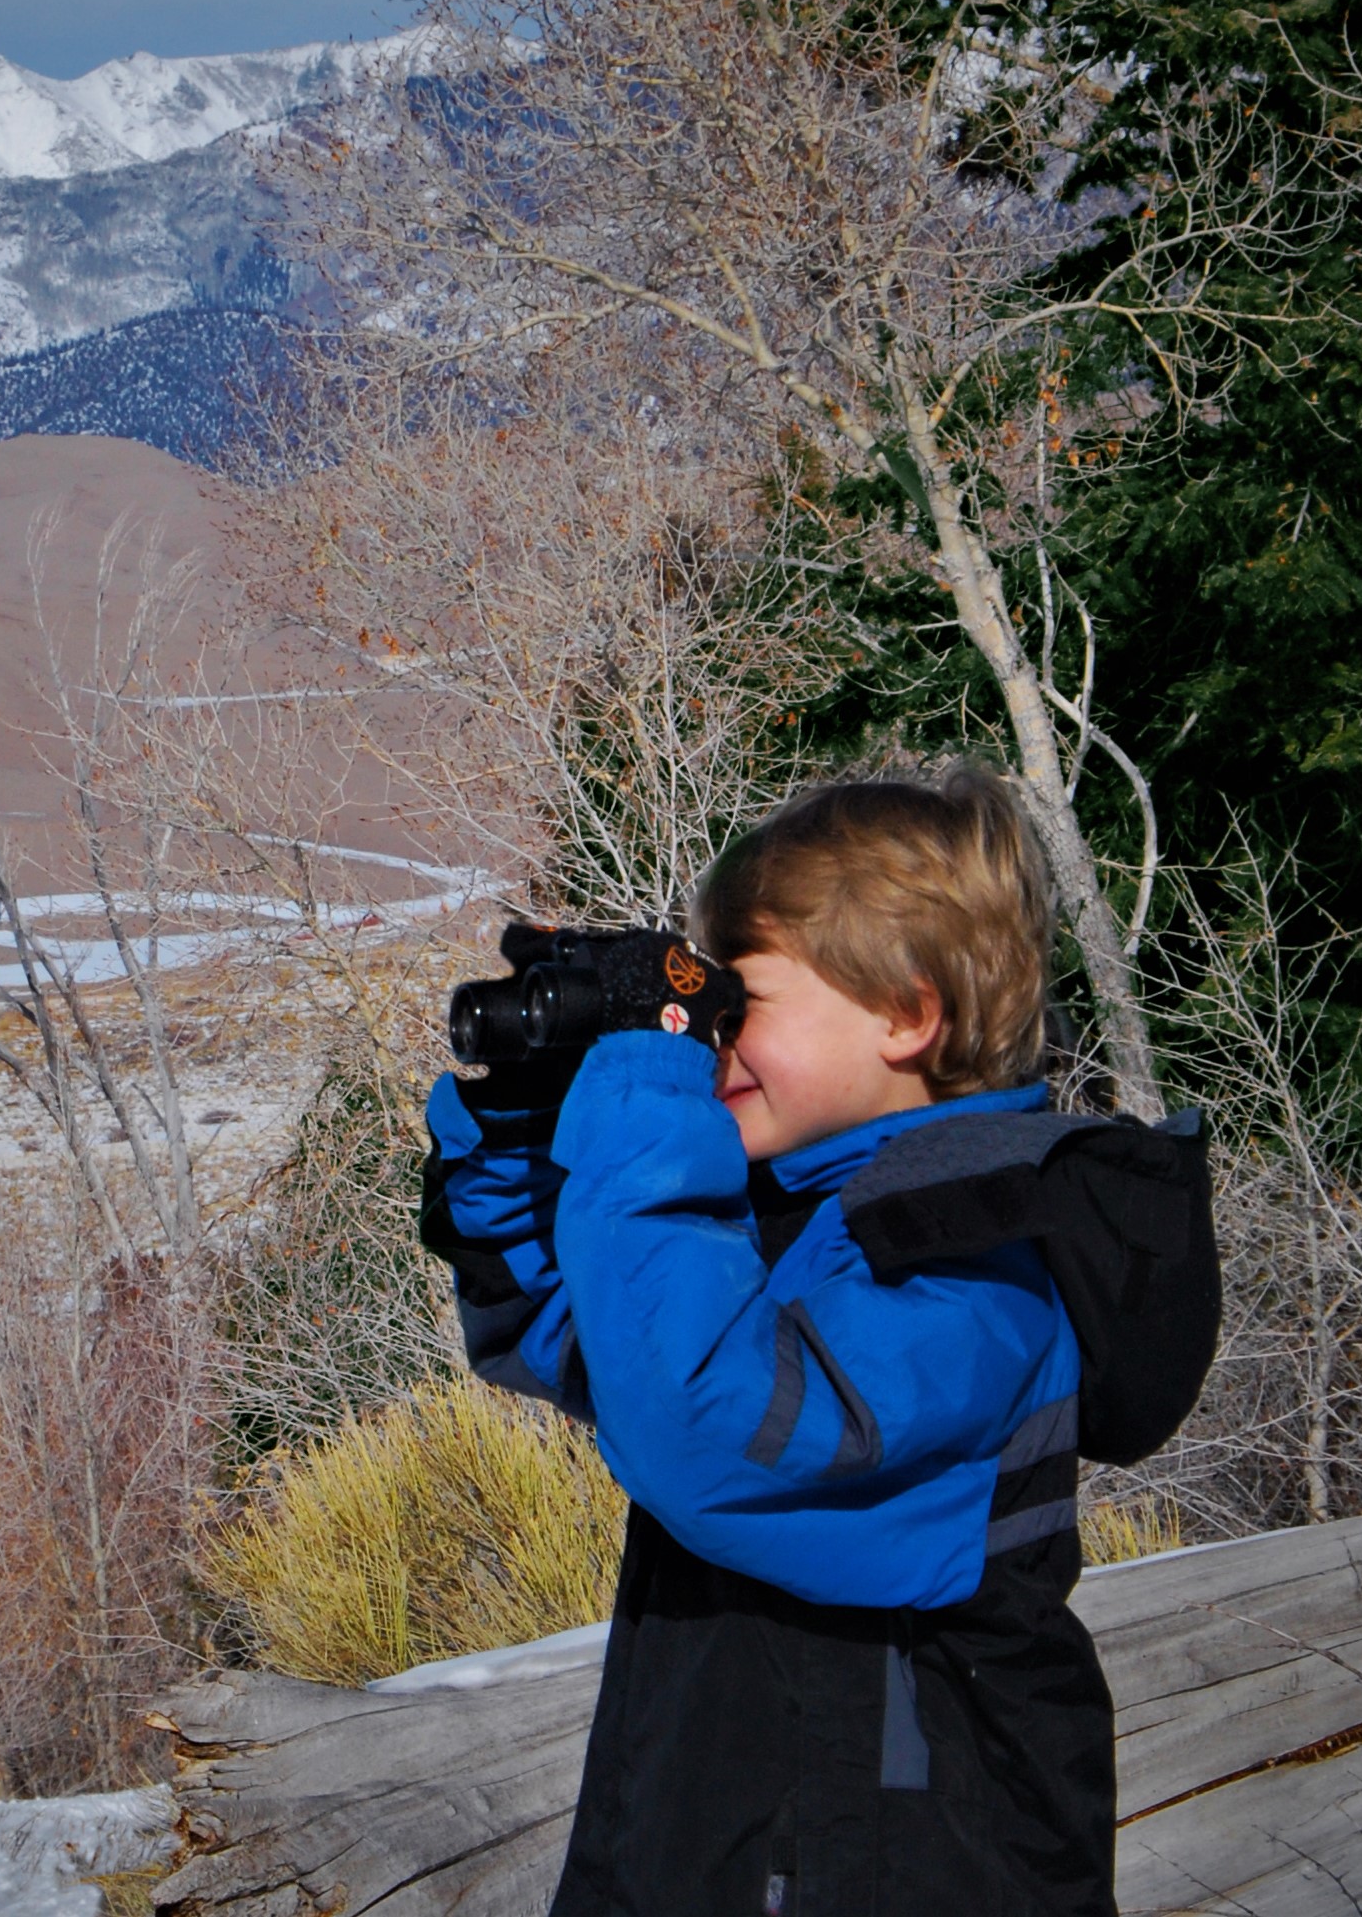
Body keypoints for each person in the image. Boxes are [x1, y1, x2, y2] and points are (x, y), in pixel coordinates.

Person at [419, 767, 1211, 1917]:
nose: (715, 1041)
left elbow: (705, 1424)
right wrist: (528, 1133)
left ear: (907, 1013)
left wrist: (650, 1089)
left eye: (746, 1005)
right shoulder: (798, 1220)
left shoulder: (984, 1270)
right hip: (711, 1840)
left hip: (907, 1867)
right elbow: (581, 1342)